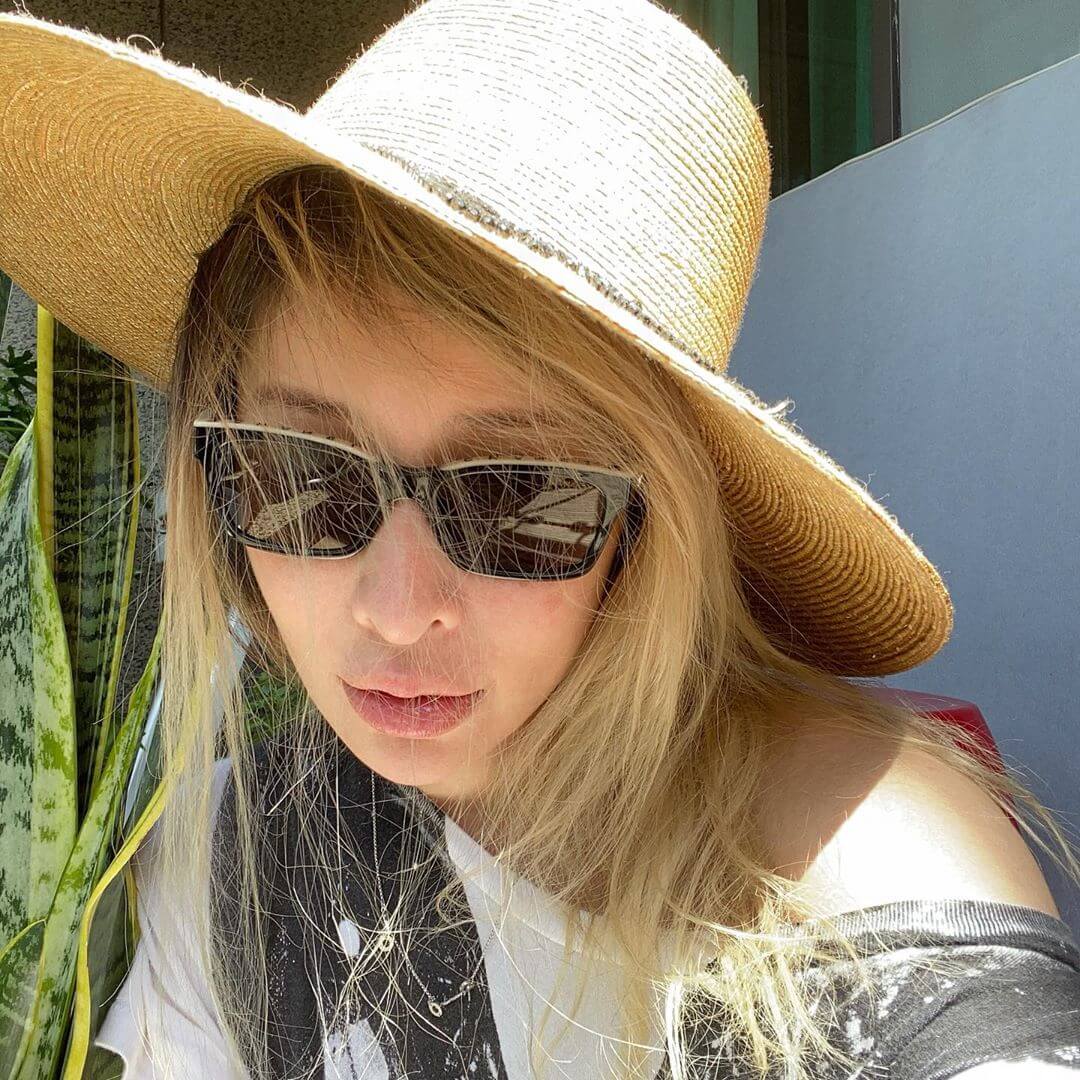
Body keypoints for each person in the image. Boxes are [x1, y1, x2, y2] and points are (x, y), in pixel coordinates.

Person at [0, 2, 1077, 1078]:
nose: (396, 608)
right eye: (304, 477)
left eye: (518, 496)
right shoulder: (230, 856)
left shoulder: (866, 854)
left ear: (649, 528)